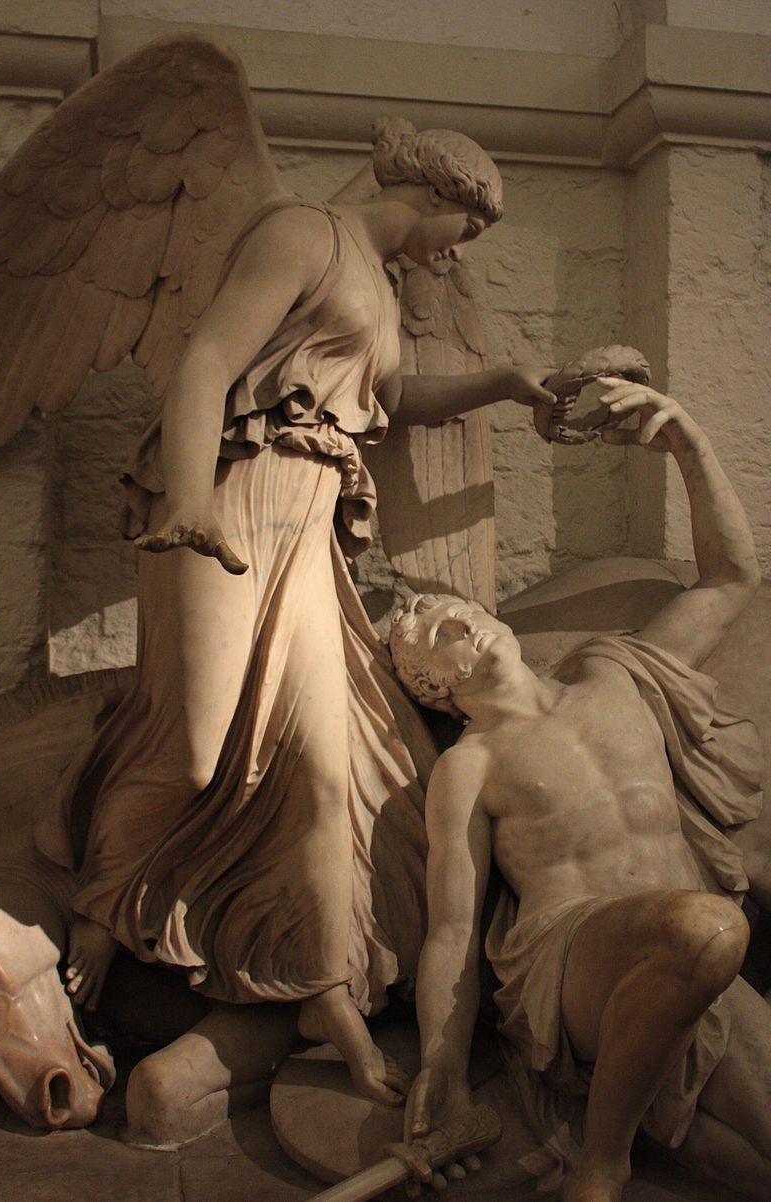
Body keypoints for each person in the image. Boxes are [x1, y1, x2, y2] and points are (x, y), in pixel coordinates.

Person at [44, 118, 558, 1105]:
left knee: (327, 774)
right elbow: (205, 364)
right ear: (435, 194)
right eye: (465, 228)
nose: (457, 253)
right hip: (227, 494)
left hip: (308, 523)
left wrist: (506, 385)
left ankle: (321, 991)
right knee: (196, 751)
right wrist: (189, 500)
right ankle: (102, 903)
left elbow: (389, 399)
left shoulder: (383, 287)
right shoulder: (302, 233)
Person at [389, 380, 769, 1200]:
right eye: (433, 630)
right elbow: (452, 930)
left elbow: (730, 580)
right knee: (708, 928)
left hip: (702, 964)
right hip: (580, 966)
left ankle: (620, 1127)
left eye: (456, 606)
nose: (455, 618)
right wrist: (441, 1066)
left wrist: (689, 442)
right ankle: (602, 1164)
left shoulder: (614, 671)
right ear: (431, 686)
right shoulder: (470, 765)